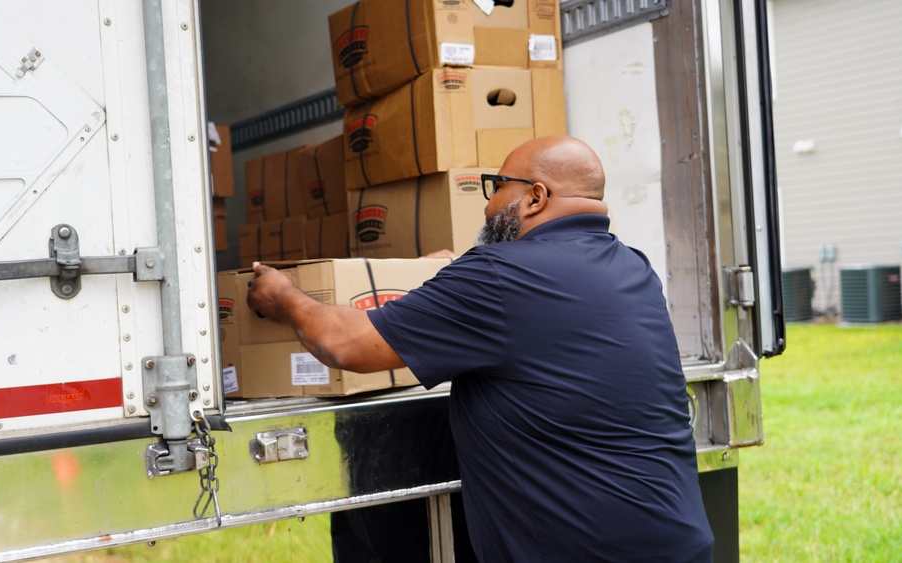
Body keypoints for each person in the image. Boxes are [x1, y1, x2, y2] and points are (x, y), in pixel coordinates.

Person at [247, 135, 715, 562]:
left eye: (496, 187)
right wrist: (451, 279)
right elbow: (534, 324)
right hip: (676, 541)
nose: (488, 206)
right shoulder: (633, 268)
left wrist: (284, 297)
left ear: (535, 196)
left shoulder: (498, 275)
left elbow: (344, 344)